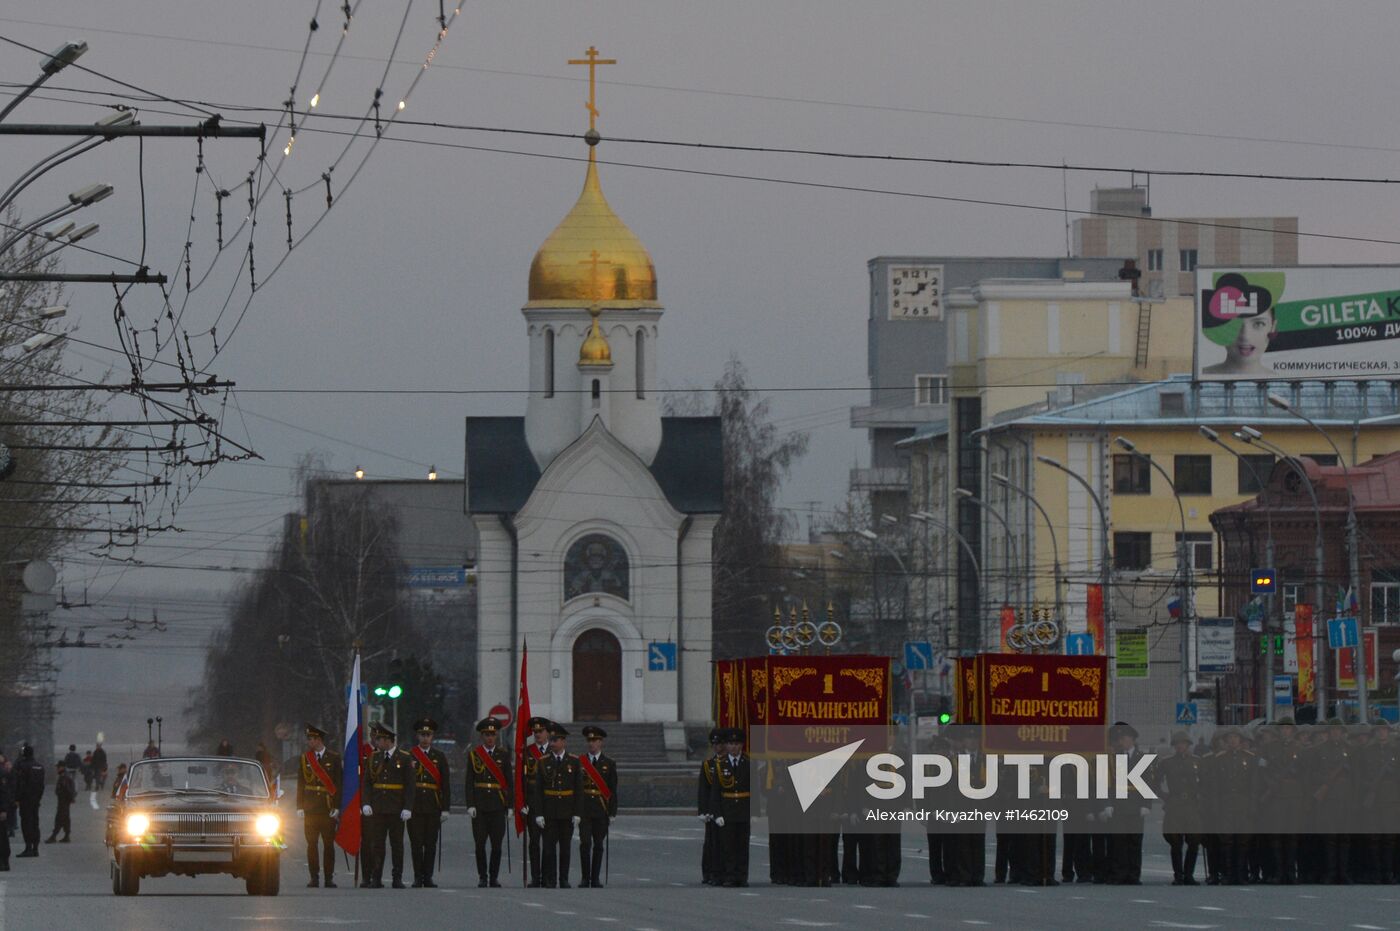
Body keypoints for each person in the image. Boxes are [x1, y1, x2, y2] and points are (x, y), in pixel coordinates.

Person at [361, 723, 413, 889]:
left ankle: (397, 877)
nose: (377, 742)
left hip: (396, 808)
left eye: (380, 739)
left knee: (397, 844)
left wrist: (408, 807)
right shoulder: (374, 757)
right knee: (377, 844)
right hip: (378, 808)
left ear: (388, 740)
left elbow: (410, 785)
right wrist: (366, 803)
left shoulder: (404, 758)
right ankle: (376, 878)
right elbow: (368, 783)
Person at [530, 723, 579, 888]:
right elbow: (538, 790)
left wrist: (577, 813)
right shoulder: (543, 762)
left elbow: (578, 790)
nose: (552, 743)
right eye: (551, 740)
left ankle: (563, 879)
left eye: (556, 740)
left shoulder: (574, 761)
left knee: (565, 849)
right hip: (550, 811)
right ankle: (550, 879)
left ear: (563, 742)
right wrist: (539, 813)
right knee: (549, 849)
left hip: (566, 811)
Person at [464, 717, 511, 887]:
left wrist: (510, 805)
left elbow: (509, 781)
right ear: (482, 736)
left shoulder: (503, 755)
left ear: (497, 735)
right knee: (480, 844)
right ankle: (482, 876)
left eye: (492, 734)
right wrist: (470, 804)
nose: (490, 738)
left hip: (498, 805)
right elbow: (469, 782)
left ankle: (494, 876)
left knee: (497, 844)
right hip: (480, 805)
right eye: (486, 735)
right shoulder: (474, 755)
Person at [295, 724, 342, 889]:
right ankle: (314, 877)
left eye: (312, 738)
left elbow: (338, 783)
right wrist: (299, 806)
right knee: (312, 844)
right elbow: (301, 783)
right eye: (308, 738)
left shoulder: (334, 758)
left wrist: (337, 806)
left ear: (319, 740)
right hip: (310, 809)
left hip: (327, 808)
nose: (309, 741)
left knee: (329, 845)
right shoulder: (305, 758)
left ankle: (329, 878)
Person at [406, 718, 451, 888]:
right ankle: (418, 876)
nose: (425, 738)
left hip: (433, 805)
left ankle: (428, 876)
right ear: (418, 736)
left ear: (432, 737)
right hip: (415, 805)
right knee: (416, 843)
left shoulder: (439, 757)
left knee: (430, 844)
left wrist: (445, 808)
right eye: (422, 734)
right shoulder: (409, 755)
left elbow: (445, 784)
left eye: (428, 735)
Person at [1157, 731, 1204, 885]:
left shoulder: (1198, 761)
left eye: (1183, 743)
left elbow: (1206, 782)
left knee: (1194, 840)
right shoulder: (1166, 762)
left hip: (1192, 805)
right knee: (1175, 841)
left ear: (1188, 745)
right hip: (1175, 804)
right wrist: (1165, 797)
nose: (1180, 746)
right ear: (1174, 746)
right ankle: (1178, 874)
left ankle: (1189, 874)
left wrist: (1201, 797)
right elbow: (1155, 783)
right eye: (1178, 744)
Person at [708, 728, 751, 888]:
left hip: (743, 810)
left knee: (742, 846)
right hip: (727, 811)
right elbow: (715, 793)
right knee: (728, 846)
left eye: (737, 744)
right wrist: (717, 813)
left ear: (742, 745)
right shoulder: (720, 764)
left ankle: (742, 876)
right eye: (731, 744)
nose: (734, 747)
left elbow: (755, 788)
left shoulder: (748, 763)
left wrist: (755, 812)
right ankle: (729, 875)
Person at [576, 725, 618, 888]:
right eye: (589, 740)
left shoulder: (609, 763)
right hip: (585, 809)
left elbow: (612, 790)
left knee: (599, 845)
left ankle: (595, 877)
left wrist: (612, 812)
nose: (591, 744)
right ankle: (585, 877)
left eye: (595, 741)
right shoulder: (580, 762)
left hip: (601, 810)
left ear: (601, 743)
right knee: (585, 843)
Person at [518, 716, 552, 887]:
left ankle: (546, 877)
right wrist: (522, 802)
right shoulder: (528, 752)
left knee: (548, 843)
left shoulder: (553, 752)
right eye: (535, 732)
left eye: (541, 731)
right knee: (534, 842)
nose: (538, 734)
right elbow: (521, 780)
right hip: (532, 802)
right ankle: (535, 877)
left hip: (549, 802)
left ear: (548, 733)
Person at [1202, 307, 1276, 377]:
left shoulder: (1281, 382)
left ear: (1273, 327)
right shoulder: (1200, 375)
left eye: (1258, 324)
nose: (1245, 336)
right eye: (1233, 324)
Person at [697, 728, 722, 885]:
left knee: (724, 843)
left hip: (726, 808)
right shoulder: (708, 765)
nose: (717, 747)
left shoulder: (726, 763)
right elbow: (703, 790)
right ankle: (709, 872)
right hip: (712, 810)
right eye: (715, 744)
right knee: (710, 843)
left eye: (720, 744)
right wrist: (703, 811)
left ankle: (721, 871)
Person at [14, 745, 45, 858]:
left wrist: (17, 798)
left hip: (25, 799)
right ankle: (35, 848)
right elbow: (42, 785)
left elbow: (20, 784)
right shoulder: (40, 767)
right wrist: (38, 798)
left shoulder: (22, 766)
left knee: (26, 823)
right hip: (35, 799)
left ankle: (28, 847)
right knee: (35, 823)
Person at [46, 762, 76, 843]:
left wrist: (71, 798)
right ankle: (67, 836)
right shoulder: (65, 776)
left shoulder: (64, 777)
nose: (57, 769)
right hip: (64, 801)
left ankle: (53, 836)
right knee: (66, 819)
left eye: (58, 767)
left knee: (59, 818)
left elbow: (67, 789)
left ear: (62, 767)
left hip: (63, 801)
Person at [0, 750, 12, 870]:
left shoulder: (2, 772)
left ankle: (4, 861)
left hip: (1, 808)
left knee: (2, 836)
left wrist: (3, 809)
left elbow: (4, 792)